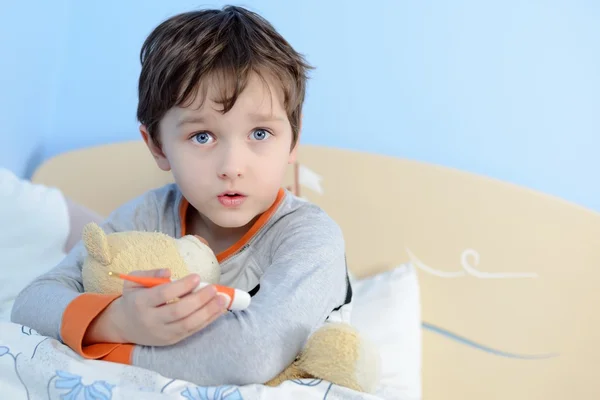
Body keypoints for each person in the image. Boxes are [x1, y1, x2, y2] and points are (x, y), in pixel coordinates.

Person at [11, 5, 352, 387]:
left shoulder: (309, 238)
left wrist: (119, 345)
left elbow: (252, 355)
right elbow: (30, 302)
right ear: (157, 146)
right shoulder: (149, 215)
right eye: (202, 136)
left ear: (294, 138)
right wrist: (118, 320)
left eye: (260, 134)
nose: (232, 166)